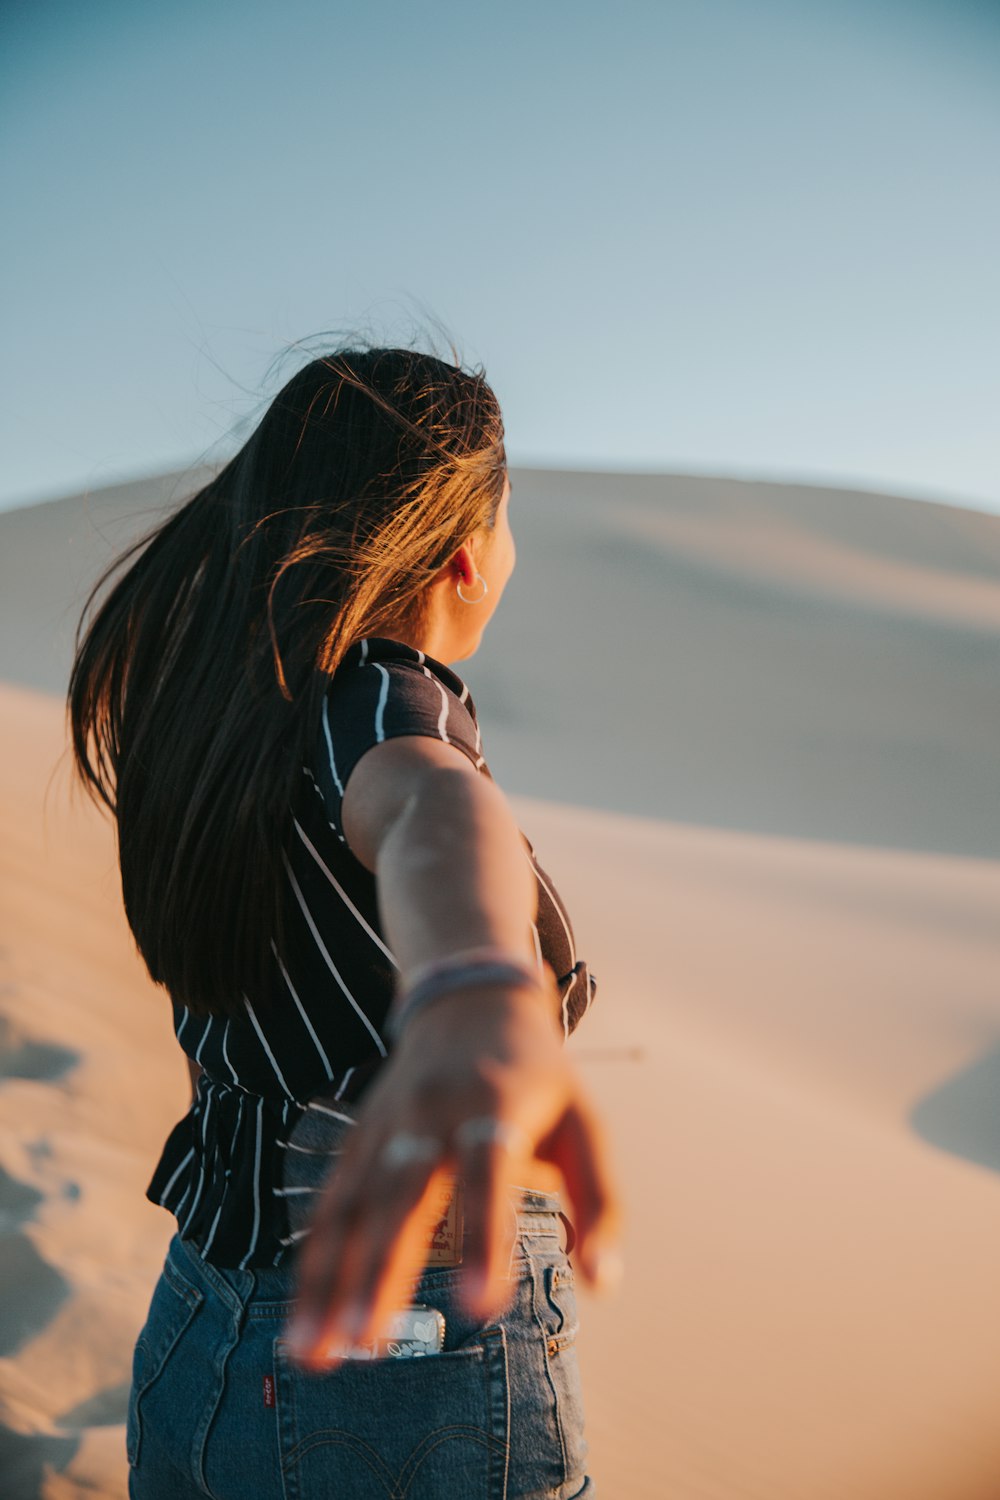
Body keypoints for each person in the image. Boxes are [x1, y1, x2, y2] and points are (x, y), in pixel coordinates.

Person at [68, 345, 622, 1499]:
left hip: (201, 1327)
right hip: (395, 1355)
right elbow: (429, 804)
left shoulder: (224, 721)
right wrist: (474, 980)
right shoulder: (382, 697)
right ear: (467, 553)